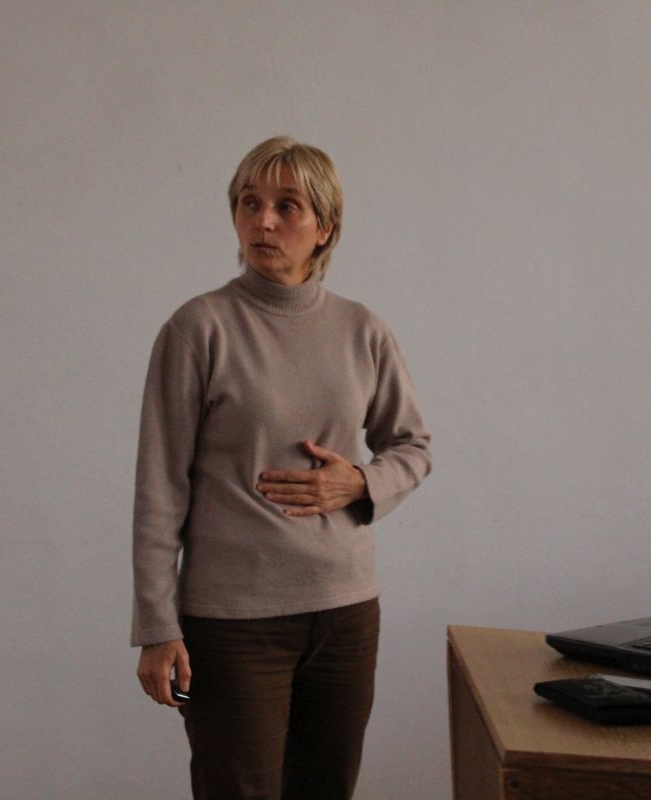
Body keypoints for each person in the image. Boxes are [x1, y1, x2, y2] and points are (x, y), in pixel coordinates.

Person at [131, 136, 432, 800]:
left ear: (325, 227)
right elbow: (159, 488)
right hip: (232, 626)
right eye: (249, 203)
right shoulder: (198, 329)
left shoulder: (362, 330)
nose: (263, 220)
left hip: (347, 614)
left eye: (287, 206)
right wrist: (156, 626)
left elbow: (412, 445)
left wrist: (362, 482)